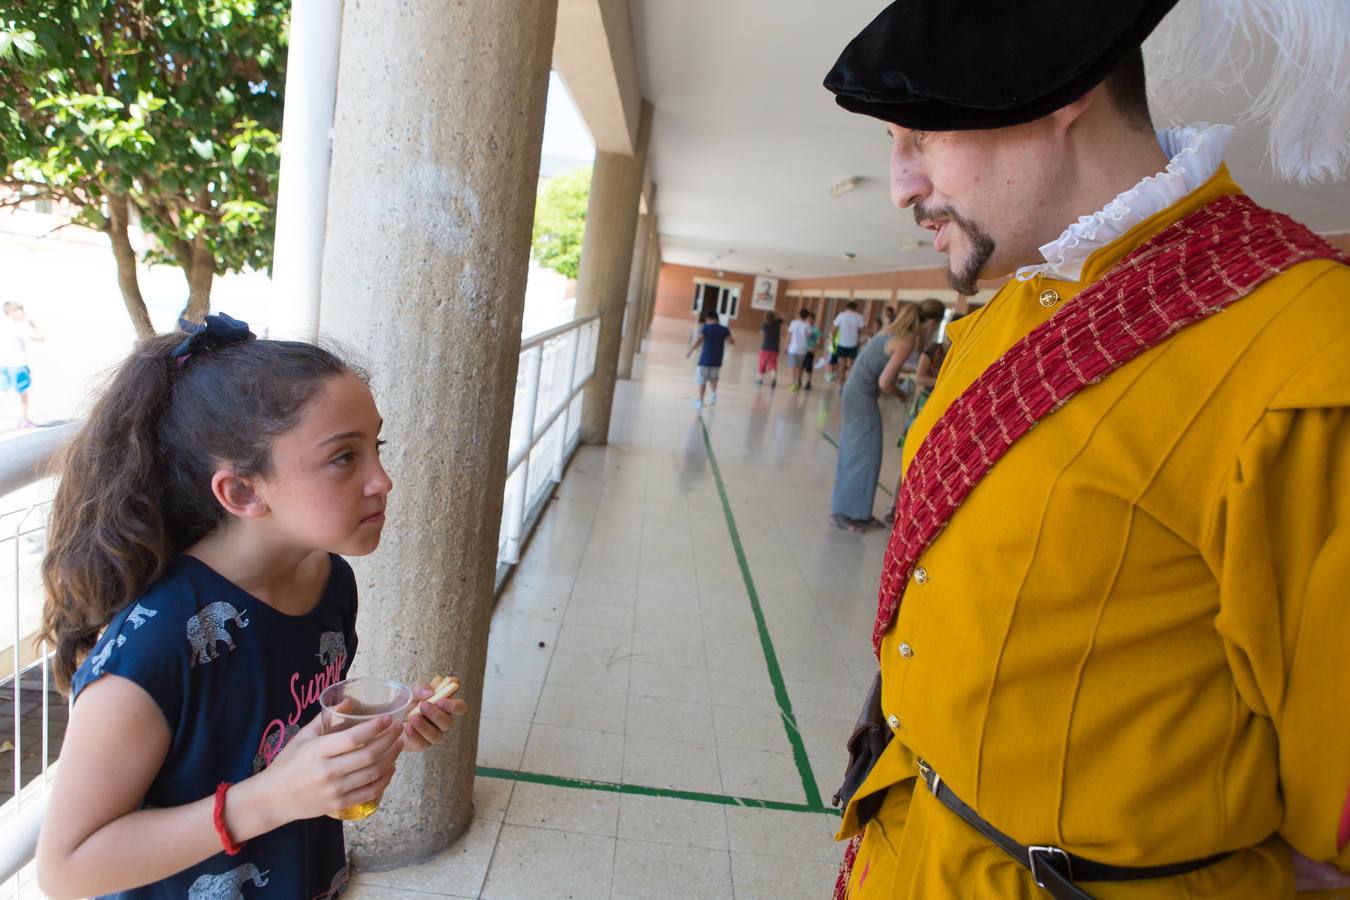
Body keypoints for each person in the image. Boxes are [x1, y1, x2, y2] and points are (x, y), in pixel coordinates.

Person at [824, 2, 1350, 898]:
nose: (901, 186)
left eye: (920, 135)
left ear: (1061, 93)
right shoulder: (1000, 321)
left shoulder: (1303, 355)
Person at [34, 315, 468, 899]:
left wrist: (374, 727)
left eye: (376, 446)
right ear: (241, 491)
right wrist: (273, 799)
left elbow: (278, 729)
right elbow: (66, 869)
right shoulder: (156, 643)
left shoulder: (328, 580)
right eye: (344, 457)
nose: (382, 480)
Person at [829, 302, 941, 533]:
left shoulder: (891, 330)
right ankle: (848, 514)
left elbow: (880, 366)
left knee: (857, 451)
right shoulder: (908, 338)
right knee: (866, 452)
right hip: (862, 395)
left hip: (854, 390)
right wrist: (901, 395)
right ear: (931, 322)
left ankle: (854, 511)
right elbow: (884, 381)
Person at [885, 307, 956, 523]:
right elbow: (919, 378)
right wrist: (943, 383)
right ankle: (892, 506)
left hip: (944, 411)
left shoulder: (961, 353)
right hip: (922, 408)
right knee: (908, 458)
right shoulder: (932, 350)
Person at [2, 301, 44, 429]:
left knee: (3, 392)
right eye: (20, 310)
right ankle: (24, 420)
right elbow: (40, 337)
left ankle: (24, 419)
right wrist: (31, 323)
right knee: (23, 393)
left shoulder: (3, 325)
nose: (23, 313)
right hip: (18, 365)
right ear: (12, 312)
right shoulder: (18, 327)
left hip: (3, 365)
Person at [685, 309, 733, 409]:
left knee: (702, 380)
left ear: (708, 319)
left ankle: (701, 401)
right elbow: (731, 341)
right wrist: (726, 335)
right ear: (717, 319)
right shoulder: (724, 329)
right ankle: (713, 395)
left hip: (705, 360)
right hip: (717, 361)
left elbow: (699, 340)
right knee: (713, 379)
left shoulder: (706, 327)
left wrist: (690, 351)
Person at [831, 301, 867, 384]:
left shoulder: (841, 315)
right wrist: (860, 341)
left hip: (842, 343)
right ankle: (849, 385)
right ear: (855, 308)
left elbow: (834, 329)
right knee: (851, 367)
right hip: (853, 344)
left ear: (846, 307)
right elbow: (863, 331)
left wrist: (833, 340)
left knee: (841, 366)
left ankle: (841, 385)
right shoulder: (859, 317)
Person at [786, 308, 812, 391]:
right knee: (799, 367)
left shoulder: (793, 323)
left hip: (793, 348)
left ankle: (793, 383)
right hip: (803, 349)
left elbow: (789, 335)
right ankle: (797, 382)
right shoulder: (807, 325)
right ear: (807, 316)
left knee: (793, 367)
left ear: (799, 314)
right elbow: (809, 335)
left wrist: (787, 346)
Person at [757, 311, 782, 387]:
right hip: (775, 348)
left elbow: (761, 332)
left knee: (762, 363)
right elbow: (784, 317)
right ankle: (773, 378)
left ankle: (760, 380)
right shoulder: (777, 324)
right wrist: (777, 313)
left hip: (765, 347)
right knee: (772, 363)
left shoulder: (765, 325)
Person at [803, 312, 821, 390]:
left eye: (810, 319)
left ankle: (808, 382)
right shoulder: (804, 327)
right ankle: (799, 381)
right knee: (800, 366)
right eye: (807, 319)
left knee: (809, 367)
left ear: (813, 320)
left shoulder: (815, 329)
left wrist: (815, 349)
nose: (808, 320)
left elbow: (819, 340)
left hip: (810, 350)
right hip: (802, 350)